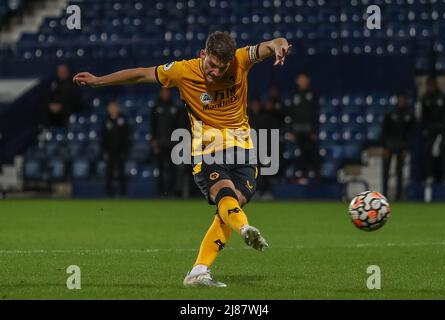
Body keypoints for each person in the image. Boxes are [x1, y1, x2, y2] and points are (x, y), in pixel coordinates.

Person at [74, 31, 292, 287]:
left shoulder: (241, 60)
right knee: (226, 197)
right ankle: (244, 229)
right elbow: (141, 73)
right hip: (206, 150)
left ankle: (199, 271)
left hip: (244, 150)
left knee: (229, 210)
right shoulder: (182, 71)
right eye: (211, 65)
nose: (215, 73)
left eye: (222, 68)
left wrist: (280, 47)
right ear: (203, 54)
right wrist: (99, 81)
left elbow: (272, 43)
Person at [286, 74, 320, 182]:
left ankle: (313, 176)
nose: (302, 82)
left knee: (311, 152)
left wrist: (314, 130)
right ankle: (299, 175)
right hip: (296, 131)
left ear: (308, 81)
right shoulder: (293, 95)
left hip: (309, 131)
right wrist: (290, 130)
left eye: (304, 80)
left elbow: (316, 114)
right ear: (297, 81)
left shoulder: (313, 95)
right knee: (298, 153)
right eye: (300, 80)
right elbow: (290, 114)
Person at [381, 94, 415, 200]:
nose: (401, 101)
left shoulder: (409, 115)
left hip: (402, 145)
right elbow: (384, 131)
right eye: (399, 99)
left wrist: (407, 148)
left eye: (403, 99)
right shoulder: (390, 113)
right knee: (386, 171)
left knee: (399, 171)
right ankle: (384, 194)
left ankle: (399, 195)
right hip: (389, 144)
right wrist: (385, 147)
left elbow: (411, 133)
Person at [151, 88, 179, 196]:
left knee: (172, 170)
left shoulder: (175, 107)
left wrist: (178, 143)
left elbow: (179, 126)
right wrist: (154, 141)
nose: (165, 94)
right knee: (160, 170)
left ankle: (171, 192)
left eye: (167, 92)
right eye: (163, 92)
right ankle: (161, 193)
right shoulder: (156, 107)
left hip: (173, 144)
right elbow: (153, 126)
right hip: (160, 144)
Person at [421, 76, 445, 184]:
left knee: (443, 150)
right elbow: (424, 116)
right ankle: (430, 176)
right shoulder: (425, 98)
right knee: (427, 150)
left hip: (444, 128)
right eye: (429, 84)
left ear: (436, 85)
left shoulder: (444, 96)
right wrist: (426, 129)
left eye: (433, 84)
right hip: (432, 128)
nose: (431, 86)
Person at [101, 101, 130, 197]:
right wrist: (104, 150)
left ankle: (123, 193)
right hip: (110, 150)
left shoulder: (123, 119)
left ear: (117, 108)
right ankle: (109, 193)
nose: (113, 109)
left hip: (120, 150)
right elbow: (103, 137)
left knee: (121, 172)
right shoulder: (106, 120)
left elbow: (126, 136)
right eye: (111, 107)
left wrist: (125, 150)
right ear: (108, 109)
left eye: (114, 107)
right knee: (109, 172)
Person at [42, 64, 83, 128]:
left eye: (63, 72)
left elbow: (75, 99)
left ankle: (67, 130)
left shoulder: (73, 83)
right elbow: (48, 96)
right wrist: (51, 105)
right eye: (59, 72)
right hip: (54, 108)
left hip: (68, 107)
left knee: (67, 109)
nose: (61, 73)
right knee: (44, 107)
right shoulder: (54, 83)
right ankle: (45, 130)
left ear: (68, 72)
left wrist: (61, 106)